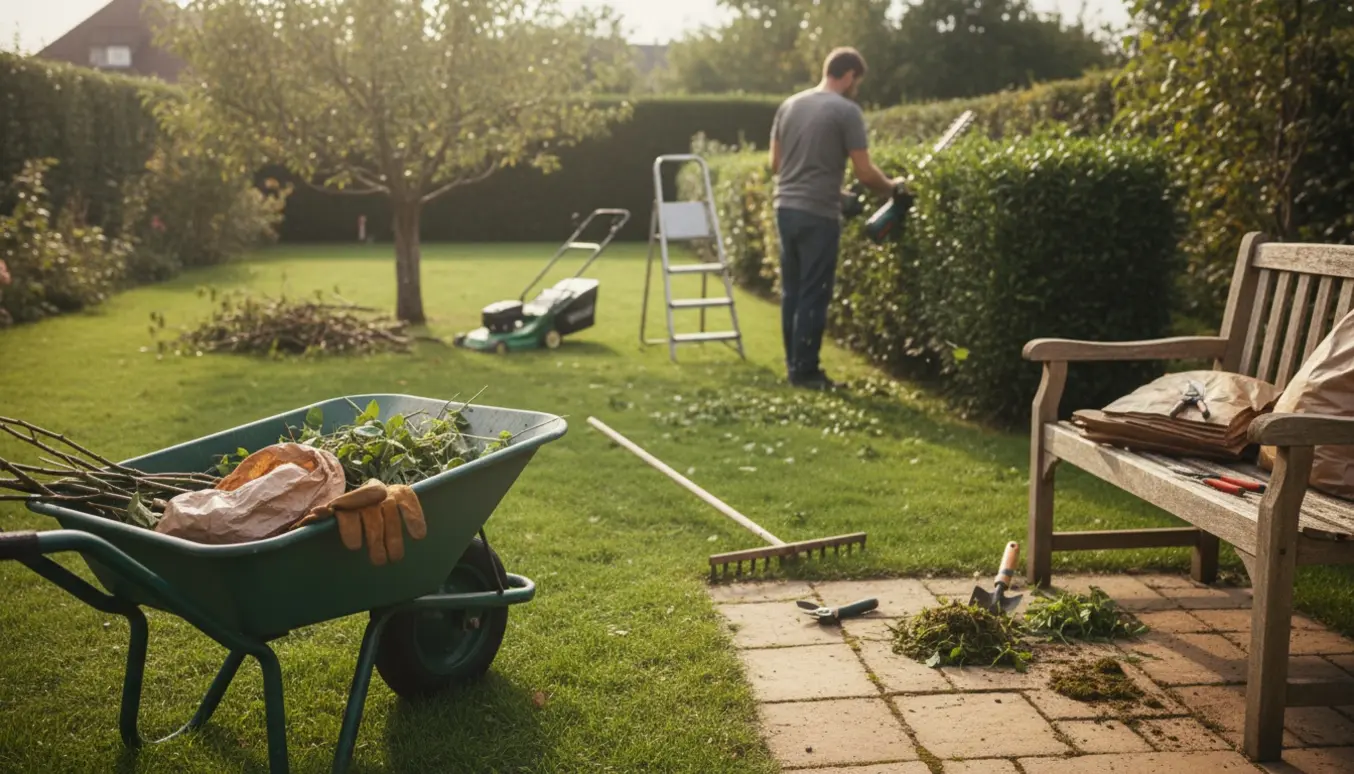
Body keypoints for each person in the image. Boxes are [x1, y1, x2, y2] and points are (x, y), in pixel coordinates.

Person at [770, 47, 906, 390]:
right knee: (815, 292)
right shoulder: (846, 111)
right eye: (856, 81)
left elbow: (777, 165)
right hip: (817, 214)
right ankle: (807, 373)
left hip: (785, 208)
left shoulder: (789, 105)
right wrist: (892, 188)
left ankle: (794, 366)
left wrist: (839, 194)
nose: (855, 87)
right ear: (849, 76)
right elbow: (864, 171)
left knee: (793, 291)